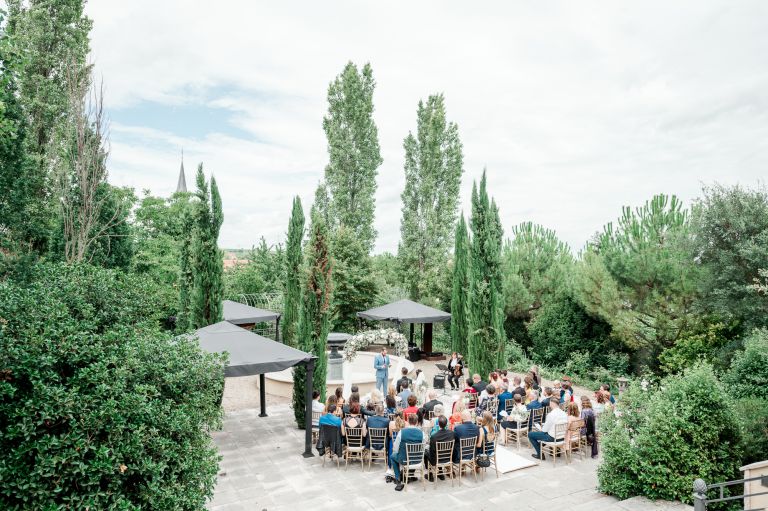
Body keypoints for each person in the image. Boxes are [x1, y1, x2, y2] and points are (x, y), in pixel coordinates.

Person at [390, 413, 425, 491]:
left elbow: (396, 447)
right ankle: (410, 475)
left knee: (392, 456)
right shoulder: (421, 433)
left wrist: (397, 451)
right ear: (416, 422)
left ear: (408, 421)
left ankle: (398, 478)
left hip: (404, 459)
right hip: (417, 459)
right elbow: (423, 446)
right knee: (411, 457)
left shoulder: (402, 432)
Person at [424, 415, 457, 479]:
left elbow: (432, 451)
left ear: (438, 424)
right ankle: (440, 471)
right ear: (446, 423)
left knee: (426, 452)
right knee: (435, 451)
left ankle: (430, 474)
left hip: (437, 460)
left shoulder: (434, 436)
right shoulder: (452, 433)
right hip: (448, 458)